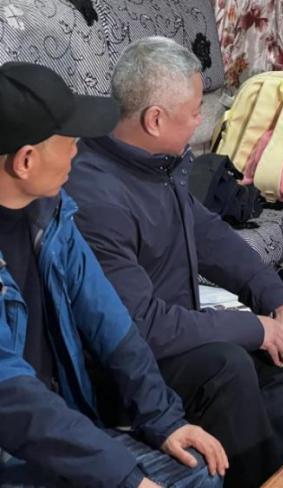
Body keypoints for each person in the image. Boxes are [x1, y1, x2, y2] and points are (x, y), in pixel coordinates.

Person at [65, 37, 283, 487]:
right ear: (155, 119)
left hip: (174, 339)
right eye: (196, 111)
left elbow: (212, 237)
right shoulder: (95, 196)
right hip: (123, 367)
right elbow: (141, 326)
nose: (202, 120)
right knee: (227, 366)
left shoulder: (161, 161)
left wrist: (280, 305)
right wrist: (255, 327)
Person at [0, 61, 227, 487]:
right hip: (14, 447)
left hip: (59, 430)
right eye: (69, 142)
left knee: (197, 471)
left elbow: (109, 320)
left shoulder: (50, 213)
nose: (77, 151)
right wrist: (126, 479)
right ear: (26, 160)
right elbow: (10, 394)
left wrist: (164, 420)